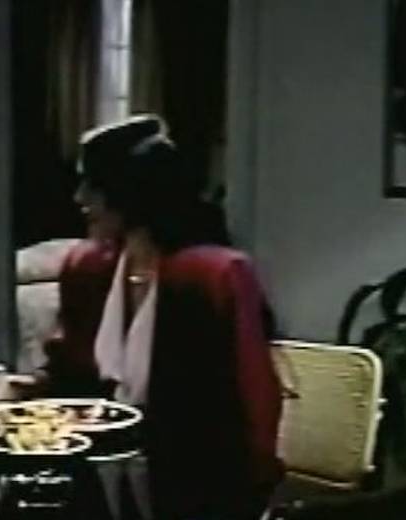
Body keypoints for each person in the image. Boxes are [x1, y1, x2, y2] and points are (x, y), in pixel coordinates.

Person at [43, 115, 282, 519]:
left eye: (93, 186)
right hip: (92, 484)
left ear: (132, 191)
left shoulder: (213, 276)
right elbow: (68, 374)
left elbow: (253, 405)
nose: (79, 198)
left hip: (195, 489)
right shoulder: (87, 269)